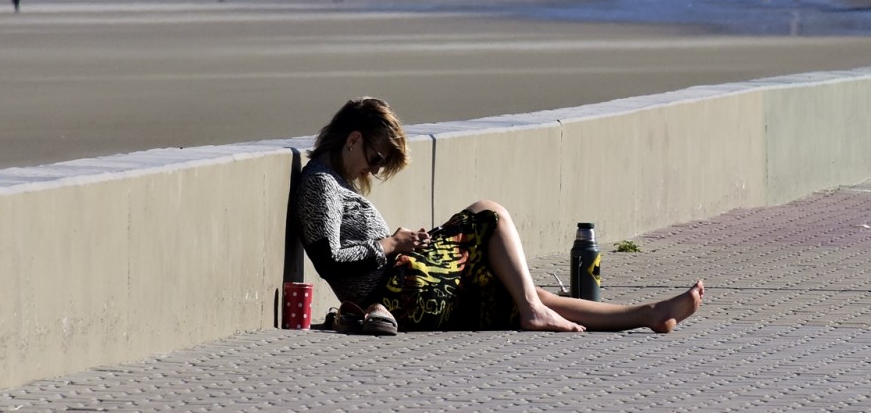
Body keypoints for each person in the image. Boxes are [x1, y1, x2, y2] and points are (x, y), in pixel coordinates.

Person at [292, 97, 704, 334]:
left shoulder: (336, 182)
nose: (375, 171)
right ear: (353, 139)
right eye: (375, 159)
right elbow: (328, 259)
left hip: (405, 289)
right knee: (488, 214)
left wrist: (398, 245)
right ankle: (534, 312)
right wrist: (391, 244)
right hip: (397, 293)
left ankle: (649, 314)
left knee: (526, 292)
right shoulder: (320, 184)